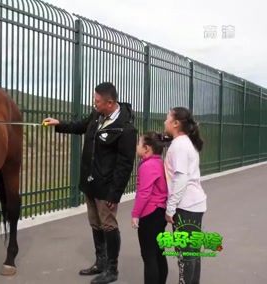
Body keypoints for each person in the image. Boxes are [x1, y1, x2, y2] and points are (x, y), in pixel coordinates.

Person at [42, 82, 137, 284]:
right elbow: (80, 127)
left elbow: (125, 165)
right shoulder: (97, 116)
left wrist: (114, 194)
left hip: (106, 187)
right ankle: (100, 263)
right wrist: (58, 124)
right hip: (90, 182)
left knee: (109, 225)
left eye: (97, 101)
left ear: (110, 103)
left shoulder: (125, 128)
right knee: (95, 223)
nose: (94, 104)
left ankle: (112, 269)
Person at [163, 107, 206, 284]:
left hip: (185, 207)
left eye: (167, 118)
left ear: (175, 123)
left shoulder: (179, 145)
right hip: (194, 205)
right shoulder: (185, 142)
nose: (164, 121)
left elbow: (180, 179)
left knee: (185, 255)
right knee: (192, 253)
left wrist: (170, 208)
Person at [131, 131, 169, 284]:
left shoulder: (147, 166)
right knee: (159, 253)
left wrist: (135, 214)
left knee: (149, 256)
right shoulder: (159, 162)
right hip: (160, 212)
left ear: (146, 148)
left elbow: (144, 193)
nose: (137, 146)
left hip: (150, 214)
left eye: (139, 143)